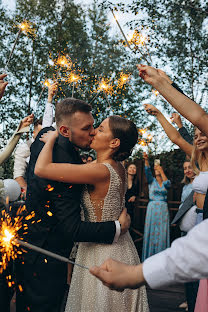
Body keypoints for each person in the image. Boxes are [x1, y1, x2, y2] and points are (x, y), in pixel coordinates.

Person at [89, 64, 208, 293]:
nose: (199, 136)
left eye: (202, 133)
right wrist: (161, 97)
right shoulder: (197, 157)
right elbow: (181, 132)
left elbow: (199, 116)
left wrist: (164, 85)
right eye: (196, 134)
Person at [15, 98, 130, 312]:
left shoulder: (48, 137)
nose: (93, 132)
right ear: (65, 131)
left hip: (36, 247)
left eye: (95, 126)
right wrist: (116, 227)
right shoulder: (62, 157)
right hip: (45, 256)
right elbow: (71, 228)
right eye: (87, 128)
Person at [35, 115, 149, 312]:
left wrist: (52, 138)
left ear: (114, 143)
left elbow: (42, 168)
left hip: (101, 253)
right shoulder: (118, 167)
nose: (94, 131)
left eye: (102, 129)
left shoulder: (99, 170)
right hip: (121, 247)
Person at [13, 82, 57, 196]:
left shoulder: (55, 144)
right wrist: (28, 192)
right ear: (33, 133)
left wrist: (50, 99)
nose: (44, 135)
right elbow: (18, 175)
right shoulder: (24, 148)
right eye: (40, 133)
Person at [142, 152, 170, 261]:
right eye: (155, 168)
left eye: (158, 168)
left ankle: (161, 259)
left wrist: (161, 171)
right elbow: (147, 171)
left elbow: (168, 184)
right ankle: (149, 258)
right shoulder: (151, 181)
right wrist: (146, 160)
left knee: (162, 233)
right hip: (152, 209)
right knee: (151, 232)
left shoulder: (166, 182)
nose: (156, 169)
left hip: (163, 209)